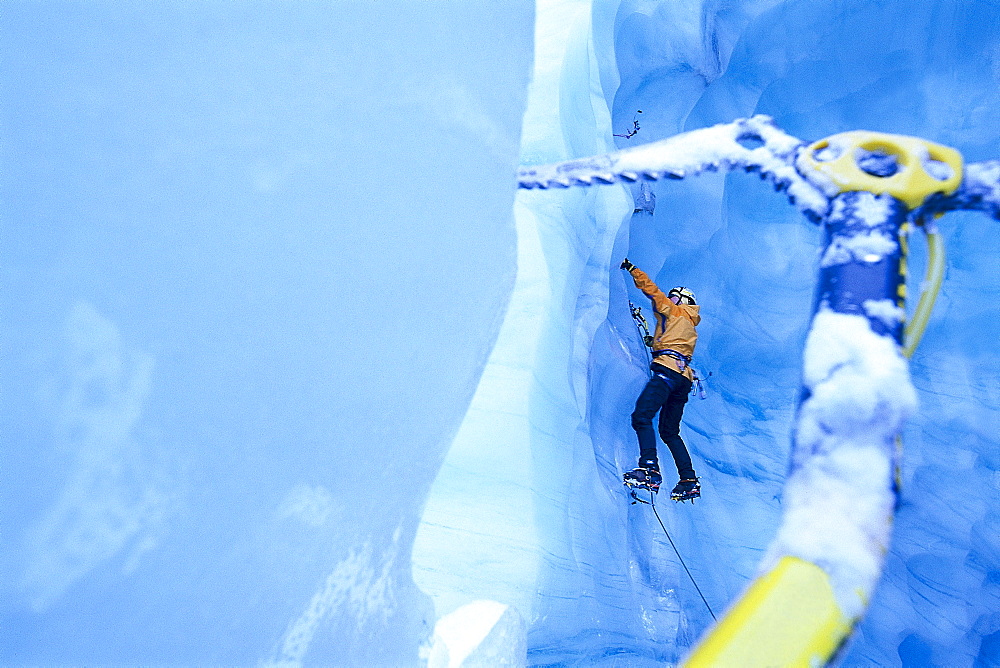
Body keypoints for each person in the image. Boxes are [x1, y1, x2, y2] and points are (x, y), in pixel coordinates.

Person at [620, 258, 702, 502]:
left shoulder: (674, 311)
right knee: (670, 431)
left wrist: (633, 269)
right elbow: (672, 342)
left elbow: (652, 292)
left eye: (675, 296)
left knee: (642, 416)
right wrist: (655, 344)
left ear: (683, 301)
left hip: (667, 372)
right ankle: (688, 481)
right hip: (683, 379)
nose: (670, 298)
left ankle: (649, 470)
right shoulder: (690, 324)